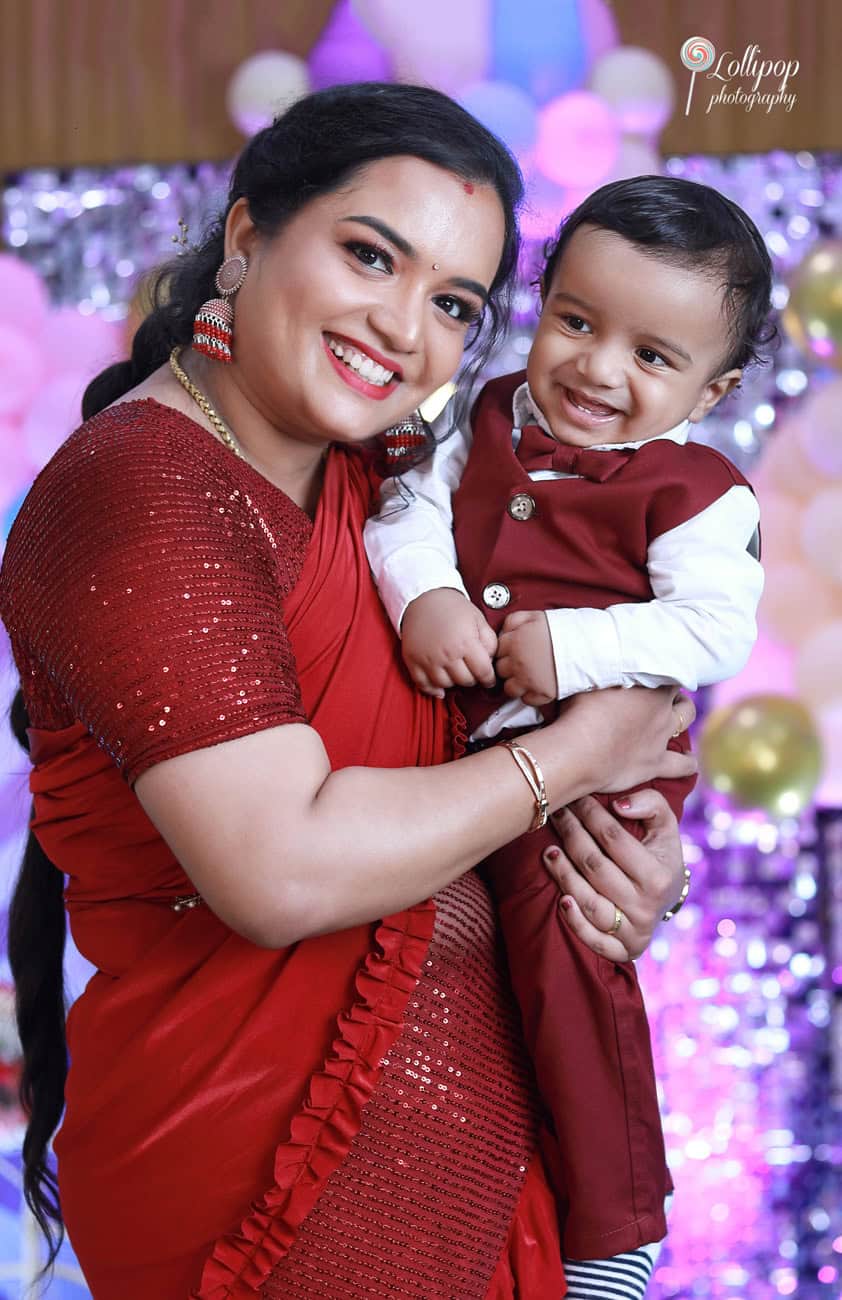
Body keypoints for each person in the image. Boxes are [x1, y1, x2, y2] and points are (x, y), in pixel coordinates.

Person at [0, 86, 695, 1300]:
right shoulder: (146, 492)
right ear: (247, 234)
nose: (402, 327)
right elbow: (281, 872)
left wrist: (622, 867)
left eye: (453, 304)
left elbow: (527, 752)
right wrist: (568, 766)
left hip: (468, 1129)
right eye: (369, 253)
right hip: (257, 1160)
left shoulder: (395, 506)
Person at [364, 175, 770, 1297]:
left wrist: (574, 650)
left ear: (712, 386)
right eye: (576, 322)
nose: (596, 369)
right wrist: (427, 597)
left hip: (590, 764)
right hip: (463, 739)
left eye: (652, 356)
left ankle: (612, 1226)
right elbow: (401, 509)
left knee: (567, 954)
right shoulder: (479, 413)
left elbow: (713, 627)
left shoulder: (696, 494)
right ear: (539, 304)